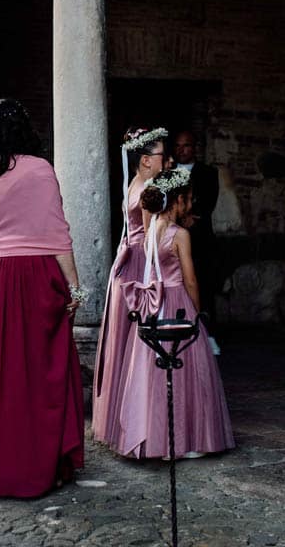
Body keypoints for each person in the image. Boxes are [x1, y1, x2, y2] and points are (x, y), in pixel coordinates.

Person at [0, 98, 85, 498]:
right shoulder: (40, 170)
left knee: (2, 372)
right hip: (30, 275)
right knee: (39, 373)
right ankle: (40, 466)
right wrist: (75, 285)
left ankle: (2, 464)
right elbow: (56, 231)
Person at [116, 168, 234, 459]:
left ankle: (160, 440)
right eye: (189, 199)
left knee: (156, 374)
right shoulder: (180, 234)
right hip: (179, 301)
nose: (191, 204)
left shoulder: (151, 230)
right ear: (178, 200)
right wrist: (196, 312)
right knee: (187, 371)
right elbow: (190, 279)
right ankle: (186, 440)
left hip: (156, 306)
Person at [92, 127, 166, 451]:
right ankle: (139, 421)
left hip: (125, 261)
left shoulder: (133, 183)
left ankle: (119, 419)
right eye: (162, 155)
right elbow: (150, 239)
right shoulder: (149, 187)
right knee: (139, 341)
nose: (167, 161)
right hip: (138, 263)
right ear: (147, 160)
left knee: (123, 341)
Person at [171, 130, 220, 325]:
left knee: (201, 280)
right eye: (177, 146)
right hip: (173, 233)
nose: (181, 150)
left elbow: (209, 202)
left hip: (200, 235)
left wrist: (193, 218)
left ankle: (204, 326)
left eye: (186, 145)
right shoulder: (168, 170)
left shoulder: (208, 172)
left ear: (195, 147)